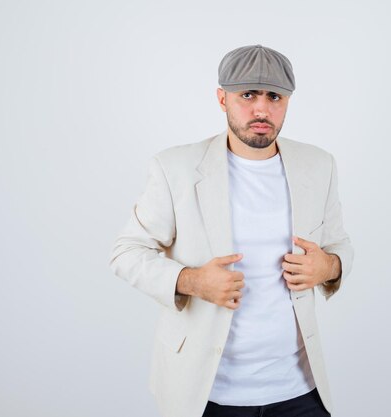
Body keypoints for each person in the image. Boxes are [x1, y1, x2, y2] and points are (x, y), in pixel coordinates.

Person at [109, 44, 354, 417]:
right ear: (222, 99)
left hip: (299, 390)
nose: (261, 109)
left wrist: (329, 267)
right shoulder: (175, 167)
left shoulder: (318, 165)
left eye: (274, 96)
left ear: (288, 100)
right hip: (206, 392)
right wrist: (191, 281)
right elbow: (127, 252)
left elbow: (339, 244)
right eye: (247, 95)